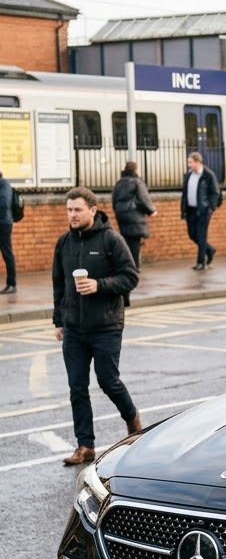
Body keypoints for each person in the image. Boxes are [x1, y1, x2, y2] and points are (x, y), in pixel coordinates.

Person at [52, 187, 141, 467]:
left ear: (93, 210)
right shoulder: (64, 243)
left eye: (77, 209)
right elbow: (59, 284)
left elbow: (130, 277)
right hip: (74, 329)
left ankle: (133, 422)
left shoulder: (111, 240)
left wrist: (99, 285)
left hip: (106, 325)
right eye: (69, 210)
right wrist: (58, 320)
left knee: (107, 380)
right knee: (77, 387)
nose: (72, 215)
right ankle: (85, 445)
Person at [111, 162, 157, 270]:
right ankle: (134, 267)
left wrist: (117, 211)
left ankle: (127, 265)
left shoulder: (119, 183)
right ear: (135, 170)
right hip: (134, 215)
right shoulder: (137, 182)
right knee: (135, 242)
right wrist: (152, 211)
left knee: (126, 240)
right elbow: (143, 198)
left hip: (121, 215)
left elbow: (114, 199)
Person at [179, 152, 220, 271]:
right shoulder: (188, 176)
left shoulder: (208, 175)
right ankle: (210, 250)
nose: (188, 164)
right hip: (191, 210)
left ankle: (201, 262)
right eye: (188, 162)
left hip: (203, 210)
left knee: (201, 235)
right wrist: (183, 210)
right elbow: (185, 194)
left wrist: (210, 208)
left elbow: (215, 193)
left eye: (190, 162)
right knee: (192, 234)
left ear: (198, 162)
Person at [0, 171, 15, 294]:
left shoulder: (3, 184)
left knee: (7, 254)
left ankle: (12, 284)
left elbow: (4, 204)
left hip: (3, 223)